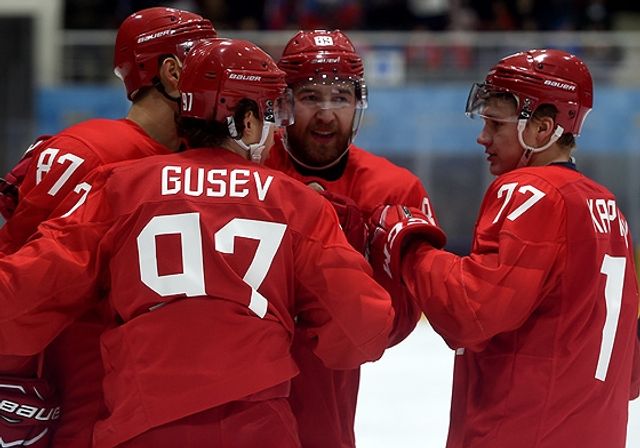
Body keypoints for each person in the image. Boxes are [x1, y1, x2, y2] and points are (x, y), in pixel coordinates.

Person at [0, 38, 395, 448]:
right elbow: (363, 329)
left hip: (143, 423)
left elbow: (22, 296)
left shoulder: (120, 186)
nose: (275, 132)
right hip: (257, 427)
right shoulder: (297, 203)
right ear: (246, 121)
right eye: (270, 115)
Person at [368, 49, 640, 448]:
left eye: (496, 124)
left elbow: (471, 312)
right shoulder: (609, 209)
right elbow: (630, 371)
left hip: (523, 433)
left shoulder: (529, 190)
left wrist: (408, 245)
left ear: (542, 129)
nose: (483, 137)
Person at [0, 7, 217, 447]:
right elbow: (20, 282)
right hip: (85, 392)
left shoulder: (199, 162)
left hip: (156, 395)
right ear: (173, 74)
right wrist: (14, 382)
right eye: (205, 66)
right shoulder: (86, 152)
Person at [263, 29, 439, 448]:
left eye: (340, 98)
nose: (326, 114)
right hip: (237, 384)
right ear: (284, 103)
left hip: (325, 397)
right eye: (310, 97)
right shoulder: (249, 172)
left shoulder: (394, 188)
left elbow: (398, 321)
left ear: (357, 104)